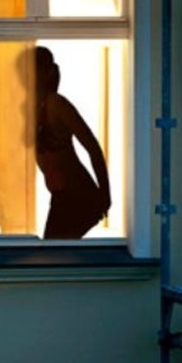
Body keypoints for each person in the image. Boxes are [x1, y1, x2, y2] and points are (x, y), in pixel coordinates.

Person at [32, 46, 111, 239]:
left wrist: (105, 196)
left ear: (46, 73)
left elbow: (93, 147)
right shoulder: (33, 108)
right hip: (61, 198)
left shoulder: (57, 104)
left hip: (77, 197)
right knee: (53, 257)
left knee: (52, 257)